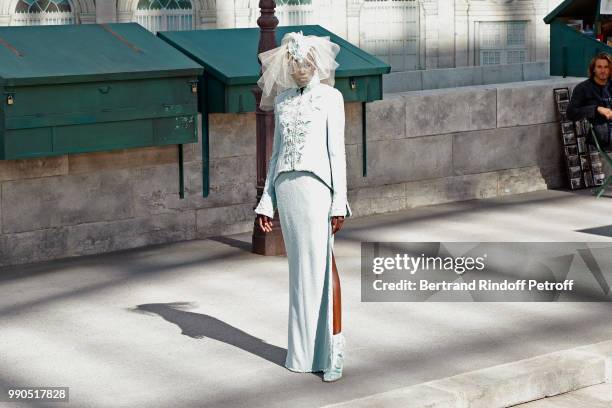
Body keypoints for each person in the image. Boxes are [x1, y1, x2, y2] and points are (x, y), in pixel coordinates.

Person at [253, 31, 352, 382]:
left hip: (316, 190)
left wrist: (339, 200)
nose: (301, 69)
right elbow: (276, 154)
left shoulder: (331, 97)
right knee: (300, 275)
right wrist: (267, 201)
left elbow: (336, 152)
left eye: (308, 63)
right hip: (287, 189)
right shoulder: (281, 101)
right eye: (295, 63)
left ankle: (331, 354)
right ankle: (301, 354)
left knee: (323, 266)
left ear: (318, 64)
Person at [567, 52, 612, 151]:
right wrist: (596, 109)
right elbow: (570, 113)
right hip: (600, 137)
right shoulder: (583, 88)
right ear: (594, 69)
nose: (603, 70)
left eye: (606, 67)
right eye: (599, 67)